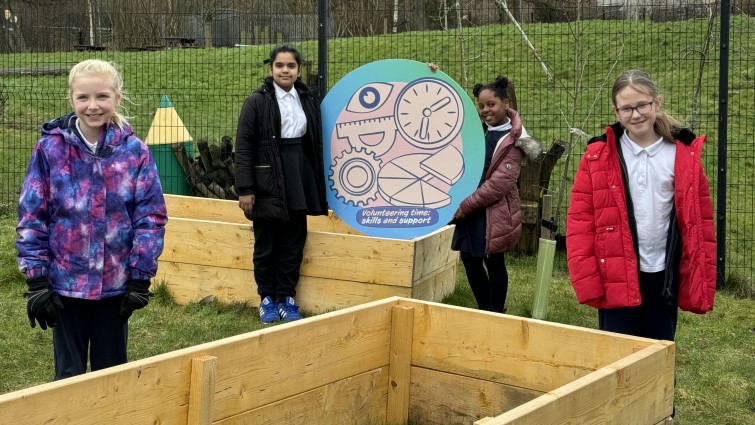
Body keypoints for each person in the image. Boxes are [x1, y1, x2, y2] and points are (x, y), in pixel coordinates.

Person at [16, 59, 167, 380]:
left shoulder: (135, 152)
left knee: (111, 378)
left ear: (117, 97)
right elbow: (32, 215)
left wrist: (140, 277)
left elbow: (150, 217)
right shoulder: (49, 150)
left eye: (102, 97)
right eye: (83, 97)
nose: (93, 106)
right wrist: (37, 281)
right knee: (68, 378)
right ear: (71, 99)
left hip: (116, 287)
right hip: (65, 286)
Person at [566, 69, 716, 342]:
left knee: (658, 357)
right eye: (627, 108)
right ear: (616, 111)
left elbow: (700, 220)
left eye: (642, 105)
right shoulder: (598, 157)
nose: (635, 115)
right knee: (618, 360)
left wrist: (701, 273)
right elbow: (580, 222)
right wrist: (587, 279)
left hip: (663, 277)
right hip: (615, 276)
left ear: (656, 103)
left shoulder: (682, 154)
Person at [235, 45, 328, 324]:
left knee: (293, 241)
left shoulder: (309, 99)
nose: (285, 70)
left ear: (299, 69)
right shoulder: (256, 102)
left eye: (290, 66)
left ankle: (287, 298)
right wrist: (245, 189)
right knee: (266, 244)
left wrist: (429, 72)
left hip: (299, 174)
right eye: (279, 65)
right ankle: (267, 299)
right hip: (267, 179)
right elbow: (243, 146)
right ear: (271, 68)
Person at [451, 76, 542, 313]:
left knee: (494, 261)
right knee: (469, 260)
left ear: (506, 103)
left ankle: (496, 312)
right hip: (469, 208)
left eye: (491, 105)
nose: (485, 110)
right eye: (481, 106)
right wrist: (434, 74)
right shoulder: (476, 130)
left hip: (493, 211)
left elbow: (499, 184)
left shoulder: (514, 139)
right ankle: (484, 308)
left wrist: (467, 205)